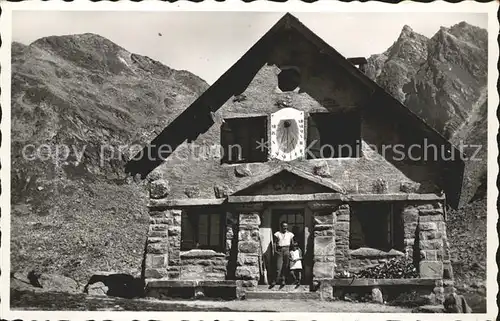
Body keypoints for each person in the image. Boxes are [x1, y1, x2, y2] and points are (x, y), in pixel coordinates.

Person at [271, 221, 294, 287]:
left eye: (286, 226)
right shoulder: (277, 234)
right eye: (283, 226)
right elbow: (274, 243)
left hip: (287, 250)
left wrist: (292, 251)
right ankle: (275, 280)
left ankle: (283, 280)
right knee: (278, 267)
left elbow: (292, 243)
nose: (285, 228)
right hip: (279, 250)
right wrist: (275, 250)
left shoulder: (290, 234)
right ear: (281, 227)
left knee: (285, 266)